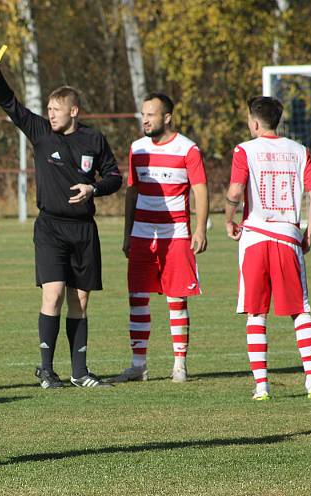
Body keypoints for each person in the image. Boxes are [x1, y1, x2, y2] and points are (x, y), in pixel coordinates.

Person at [0, 53, 122, 389]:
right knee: (54, 293)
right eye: (48, 110)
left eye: (55, 110)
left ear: (73, 111)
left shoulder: (94, 139)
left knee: (81, 299)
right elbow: (9, 103)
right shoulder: (41, 133)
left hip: (84, 230)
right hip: (50, 228)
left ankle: (80, 372)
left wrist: (93, 189)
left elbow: (115, 177)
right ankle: (46, 370)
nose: (50, 115)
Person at [225, 96, 311, 401]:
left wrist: (229, 217)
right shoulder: (299, 151)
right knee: (300, 310)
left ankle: (262, 386)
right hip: (287, 237)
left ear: (254, 123)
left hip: (255, 236)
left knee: (256, 312)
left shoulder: (244, 149)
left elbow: (236, 190)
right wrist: (308, 233)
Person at [111, 93, 208, 384]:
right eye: (143, 114)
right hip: (142, 234)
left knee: (177, 299)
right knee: (137, 299)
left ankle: (180, 363)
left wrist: (200, 229)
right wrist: (128, 232)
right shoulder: (137, 149)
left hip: (175, 235)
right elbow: (132, 191)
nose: (145, 120)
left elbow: (200, 190)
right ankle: (138, 365)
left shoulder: (188, 149)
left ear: (167, 117)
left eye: (151, 114)